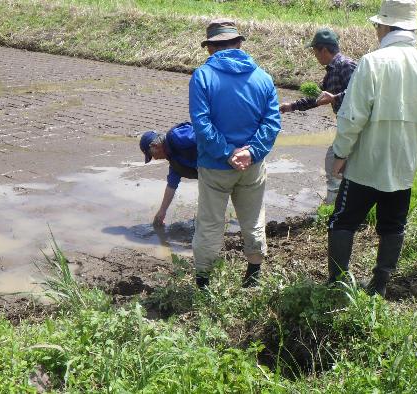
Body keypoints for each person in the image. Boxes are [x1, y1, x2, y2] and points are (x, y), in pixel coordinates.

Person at [326, 0, 417, 297]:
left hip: (367, 164)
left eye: (378, 25)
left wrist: (340, 154)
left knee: (343, 220)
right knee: (393, 225)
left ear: (387, 26)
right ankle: (379, 284)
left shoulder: (372, 62)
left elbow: (352, 117)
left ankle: (338, 282)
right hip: (403, 166)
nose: (376, 30)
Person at [189, 18, 281, 289]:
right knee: (252, 217)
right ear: (239, 44)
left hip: (215, 165)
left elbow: (202, 124)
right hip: (252, 166)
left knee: (210, 223)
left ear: (210, 48)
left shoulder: (203, 77)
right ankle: (253, 273)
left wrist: (228, 153)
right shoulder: (263, 78)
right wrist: (251, 152)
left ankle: (203, 282)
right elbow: (272, 123)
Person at [279, 28, 357, 204]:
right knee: (340, 166)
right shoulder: (332, 69)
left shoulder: (346, 65)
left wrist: (335, 97)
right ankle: (340, 203)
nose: (315, 57)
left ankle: (333, 206)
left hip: (354, 126)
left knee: (334, 163)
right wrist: (291, 106)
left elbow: (360, 93)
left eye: (315, 52)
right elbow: (319, 99)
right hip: (346, 125)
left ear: (324, 50)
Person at [139, 122, 197, 226]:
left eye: (152, 155)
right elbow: (171, 186)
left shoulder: (177, 136)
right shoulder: (174, 164)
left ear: (155, 145)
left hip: (226, 160)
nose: (155, 158)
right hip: (215, 177)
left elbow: (206, 136)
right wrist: (162, 211)